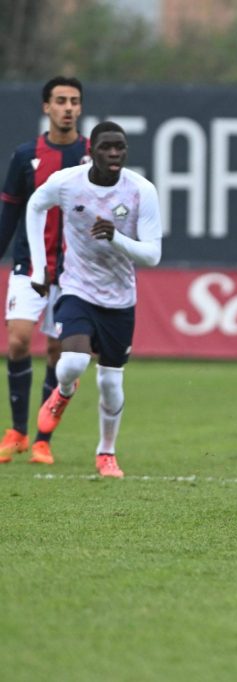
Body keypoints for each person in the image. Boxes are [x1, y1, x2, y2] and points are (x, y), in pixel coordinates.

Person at [26, 121, 163, 478]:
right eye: (107, 147)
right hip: (77, 288)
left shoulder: (141, 191)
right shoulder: (68, 183)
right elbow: (34, 206)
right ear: (92, 151)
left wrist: (116, 238)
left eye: (120, 147)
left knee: (110, 381)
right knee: (70, 363)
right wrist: (40, 266)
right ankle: (64, 391)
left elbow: (152, 255)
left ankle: (106, 452)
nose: (114, 153)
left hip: (120, 299)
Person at [0, 76, 88, 466]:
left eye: (74, 101)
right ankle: (16, 431)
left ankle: (42, 439)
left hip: (73, 271)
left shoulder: (92, 156)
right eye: (60, 101)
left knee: (58, 351)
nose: (68, 107)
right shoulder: (25, 156)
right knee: (18, 341)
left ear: (80, 108)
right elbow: (10, 211)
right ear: (46, 108)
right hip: (29, 265)